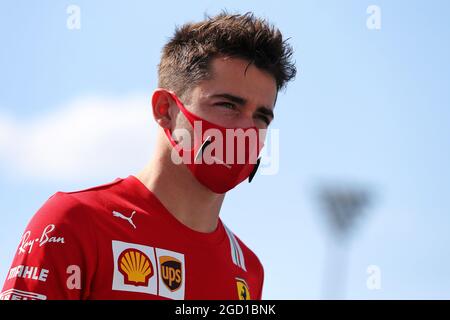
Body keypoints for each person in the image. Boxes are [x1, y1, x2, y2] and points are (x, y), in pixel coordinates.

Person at [1, 12, 296, 300]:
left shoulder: (247, 270)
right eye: (228, 105)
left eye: (261, 117)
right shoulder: (74, 222)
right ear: (165, 109)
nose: (245, 130)